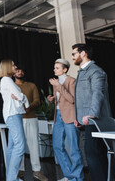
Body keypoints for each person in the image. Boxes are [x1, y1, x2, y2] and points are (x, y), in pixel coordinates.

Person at [72, 43, 112, 181]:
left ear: (83, 53)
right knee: (94, 154)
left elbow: (97, 93)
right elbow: (81, 98)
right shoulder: (82, 72)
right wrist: (78, 117)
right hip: (86, 120)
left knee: (94, 154)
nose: (72, 57)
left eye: (74, 54)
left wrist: (92, 114)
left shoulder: (95, 71)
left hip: (96, 120)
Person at [47, 59, 84, 181]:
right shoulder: (56, 82)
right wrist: (52, 99)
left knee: (74, 149)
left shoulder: (72, 81)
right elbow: (61, 100)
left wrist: (59, 87)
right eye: (54, 67)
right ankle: (70, 176)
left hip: (70, 117)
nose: (54, 69)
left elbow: (72, 99)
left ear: (65, 69)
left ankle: (78, 178)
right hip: (58, 117)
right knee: (57, 146)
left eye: (57, 68)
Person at [14, 67, 48, 181]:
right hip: (17, 119)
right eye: (17, 71)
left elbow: (37, 101)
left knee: (34, 145)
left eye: (21, 70)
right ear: (13, 73)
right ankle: (20, 171)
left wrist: (28, 108)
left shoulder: (31, 85)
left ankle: (37, 171)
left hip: (31, 118)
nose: (20, 72)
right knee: (19, 146)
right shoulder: (11, 86)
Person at [0, 60, 30, 181]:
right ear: (7, 67)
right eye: (13, 65)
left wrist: (20, 97)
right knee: (20, 146)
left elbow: (17, 96)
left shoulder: (6, 80)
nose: (15, 67)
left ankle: (11, 177)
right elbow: (20, 95)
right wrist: (25, 99)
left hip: (12, 114)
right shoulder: (7, 80)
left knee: (12, 147)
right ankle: (12, 178)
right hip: (13, 115)